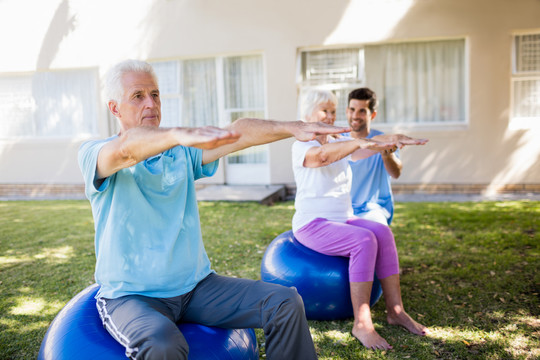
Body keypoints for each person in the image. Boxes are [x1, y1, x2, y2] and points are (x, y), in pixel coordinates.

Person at [78, 59, 350, 360]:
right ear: (115, 108)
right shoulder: (95, 154)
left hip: (195, 288)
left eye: (155, 94)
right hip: (131, 296)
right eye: (138, 96)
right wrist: (177, 135)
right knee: (163, 345)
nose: (151, 103)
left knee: (285, 302)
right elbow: (127, 148)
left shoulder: (180, 152)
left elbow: (238, 133)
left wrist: (293, 127)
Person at [291, 89, 429, 350]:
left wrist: (392, 140)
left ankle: (395, 310)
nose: (331, 116)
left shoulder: (340, 140)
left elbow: (363, 148)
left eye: (333, 111)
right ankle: (362, 324)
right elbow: (324, 157)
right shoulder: (302, 146)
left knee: (382, 232)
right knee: (363, 240)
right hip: (312, 224)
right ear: (307, 115)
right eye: (324, 111)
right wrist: (357, 142)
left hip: (342, 219)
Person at [346, 87, 401, 225]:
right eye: (352, 110)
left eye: (362, 111)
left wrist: (386, 155)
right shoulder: (338, 140)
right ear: (347, 111)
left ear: (373, 115)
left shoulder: (382, 140)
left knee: (376, 231)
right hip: (342, 208)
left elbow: (396, 173)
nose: (355, 116)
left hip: (372, 208)